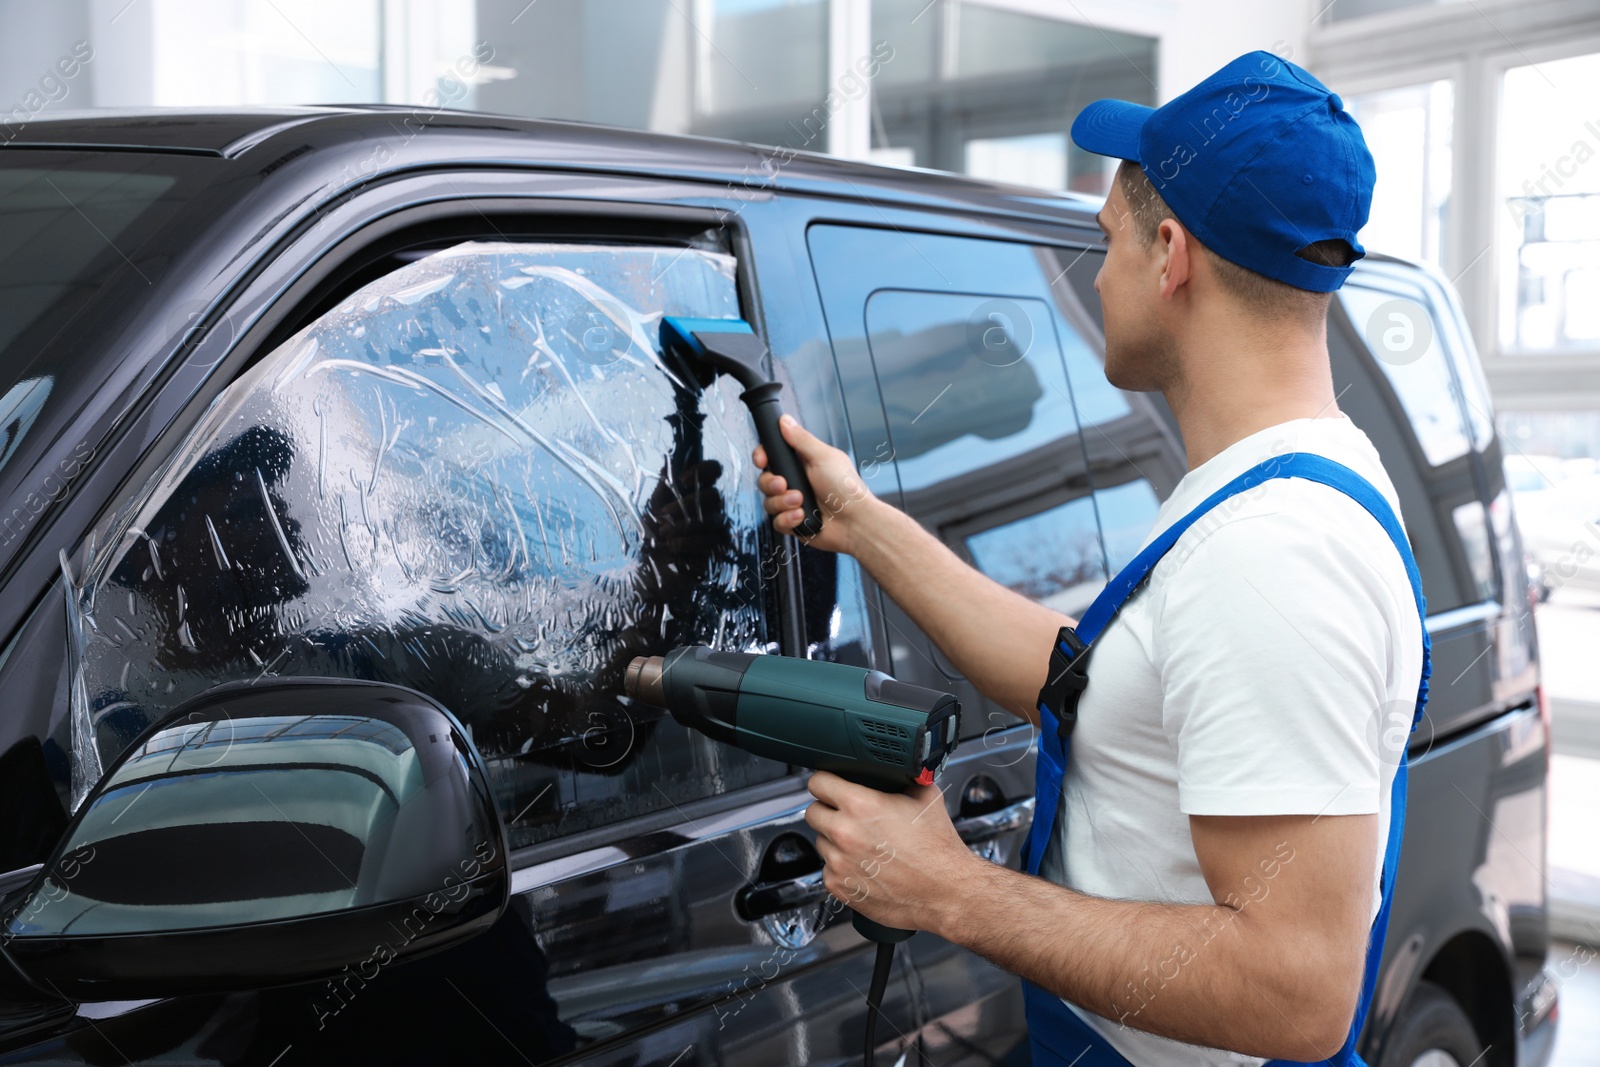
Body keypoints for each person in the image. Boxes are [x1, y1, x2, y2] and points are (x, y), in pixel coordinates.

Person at [752, 50, 1428, 1066]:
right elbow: (1096, 675)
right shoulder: (1278, 487)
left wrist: (948, 888)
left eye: (1104, 241)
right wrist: (858, 520)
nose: (1097, 273)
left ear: (1171, 255)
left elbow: (1297, 987)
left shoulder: (1271, 554)